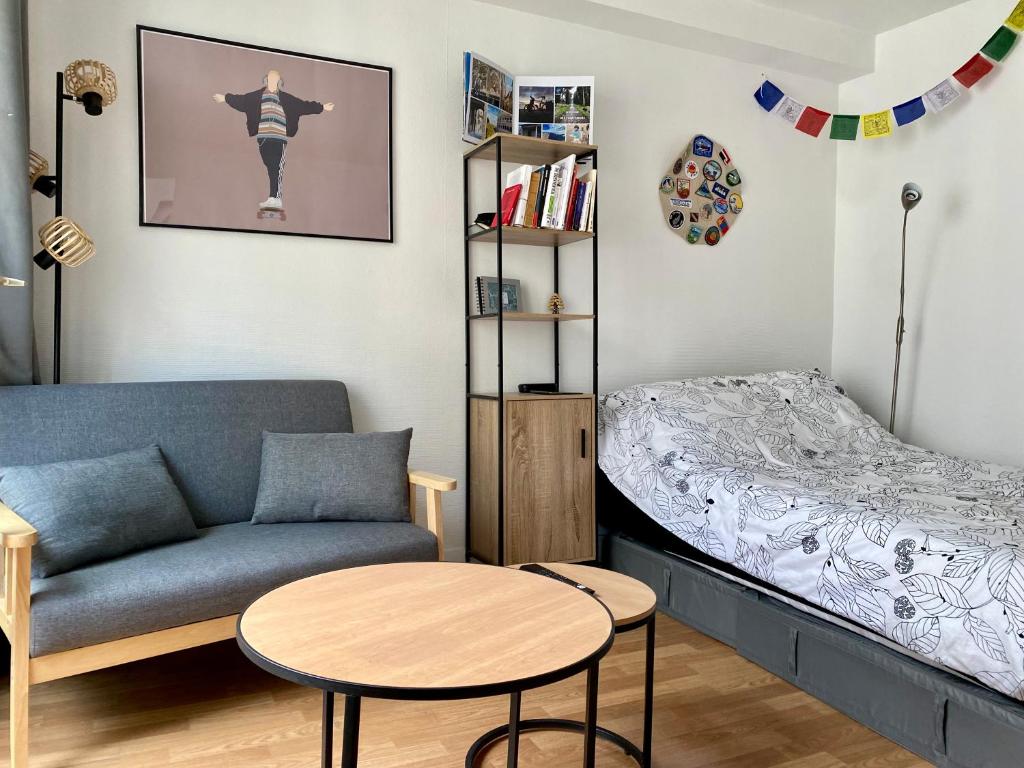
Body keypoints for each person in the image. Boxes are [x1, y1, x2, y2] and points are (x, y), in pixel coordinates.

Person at [213, 70, 334, 210]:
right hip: (263, 138)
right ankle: (273, 198)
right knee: (270, 167)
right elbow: (241, 100)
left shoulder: (287, 99)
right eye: (270, 78)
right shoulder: (256, 97)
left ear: (279, 81)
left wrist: (323, 107)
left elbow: (303, 105)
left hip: (279, 139)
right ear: (266, 80)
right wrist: (225, 98)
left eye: (275, 78)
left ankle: (276, 198)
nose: (272, 80)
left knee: (277, 167)